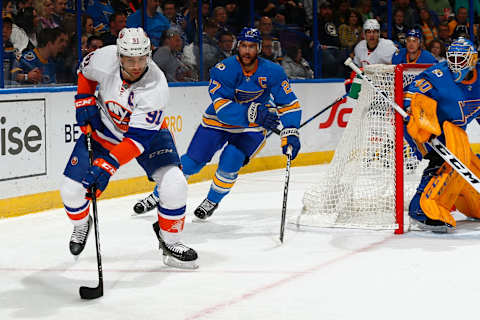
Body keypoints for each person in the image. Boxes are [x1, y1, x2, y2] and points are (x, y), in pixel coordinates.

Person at [59, 27, 198, 269]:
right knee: (70, 191)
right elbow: (85, 72)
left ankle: (170, 241)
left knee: (175, 182)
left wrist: (106, 166)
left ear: (149, 55)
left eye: (141, 59)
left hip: (147, 136)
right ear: (119, 56)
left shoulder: (156, 87)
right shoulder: (104, 57)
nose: (135, 66)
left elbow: (136, 141)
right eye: (129, 59)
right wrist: (84, 99)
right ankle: (82, 225)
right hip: (104, 129)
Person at [133, 27, 302, 220]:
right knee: (191, 162)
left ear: (259, 48)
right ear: (238, 46)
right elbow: (223, 110)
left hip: (251, 128)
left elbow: (288, 103)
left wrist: (291, 130)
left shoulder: (274, 71)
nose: (247, 51)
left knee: (231, 160)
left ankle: (212, 200)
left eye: (252, 47)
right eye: (244, 46)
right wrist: (253, 112)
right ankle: (158, 194)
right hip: (217, 123)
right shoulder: (224, 69)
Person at [403, 37, 480, 233]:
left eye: (460, 59)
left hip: (452, 130)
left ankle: (474, 204)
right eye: (452, 58)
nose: (455, 64)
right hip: (425, 128)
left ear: (472, 60)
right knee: (445, 159)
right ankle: (421, 209)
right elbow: (412, 93)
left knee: (468, 163)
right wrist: (412, 110)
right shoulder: (438, 74)